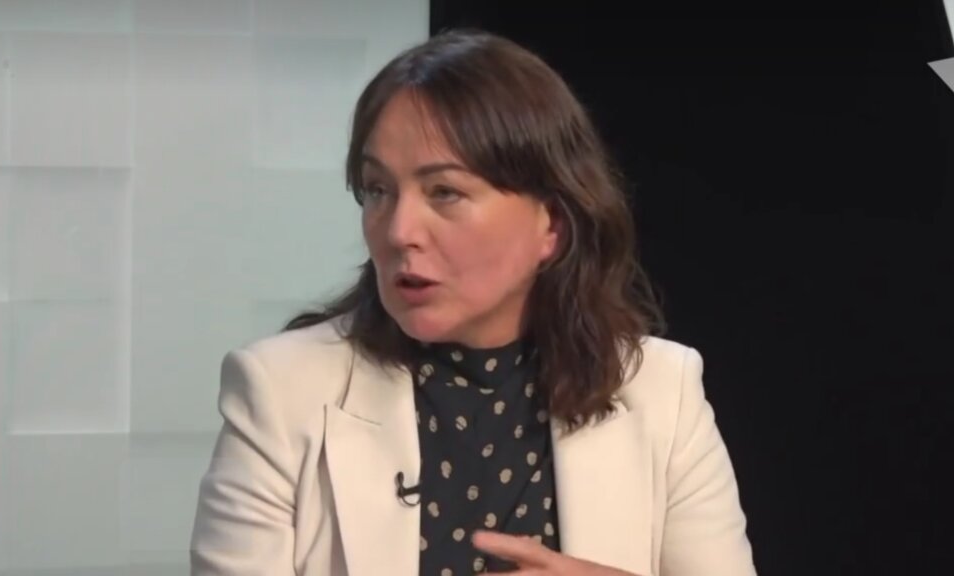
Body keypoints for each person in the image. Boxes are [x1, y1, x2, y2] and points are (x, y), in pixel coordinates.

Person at [190, 27, 756, 576]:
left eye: (445, 192)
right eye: (378, 190)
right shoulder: (281, 390)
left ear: (552, 224)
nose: (399, 231)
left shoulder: (662, 391)